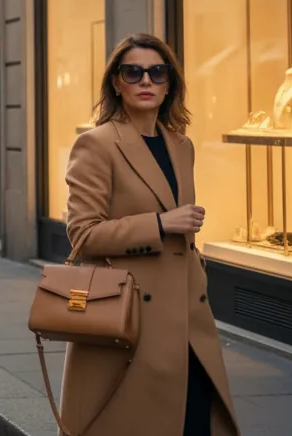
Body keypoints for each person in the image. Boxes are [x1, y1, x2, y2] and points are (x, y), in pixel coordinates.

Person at [59, 33, 238, 436]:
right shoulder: (96, 144)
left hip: (187, 317)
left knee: (196, 421)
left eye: (157, 72)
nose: (146, 81)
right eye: (133, 72)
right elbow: (83, 234)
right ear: (116, 83)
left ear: (169, 84)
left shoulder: (181, 145)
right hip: (130, 319)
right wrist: (161, 224)